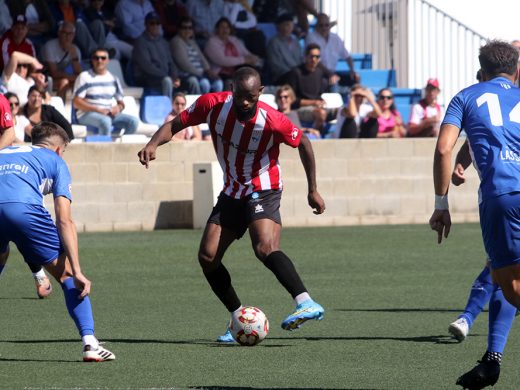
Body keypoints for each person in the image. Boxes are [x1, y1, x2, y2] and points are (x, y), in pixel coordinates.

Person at [138, 66, 326, 343]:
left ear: (260, 93)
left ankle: (306, 301)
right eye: (240, 96)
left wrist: (313, 189)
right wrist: (154, 143)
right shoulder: (212, 105)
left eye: (251, 97)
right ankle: (240, 318)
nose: (245, 103)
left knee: (264, 246)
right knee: (208, 257)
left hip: (264, 188)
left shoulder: (272, 120)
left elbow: (304, 143)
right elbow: (175, 125)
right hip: (232, 191)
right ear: (232, 89)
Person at [429, 40, 520, 389]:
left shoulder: (466, 96)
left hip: (503, 196)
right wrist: (467, 159)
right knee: (500, 274)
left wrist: (441, 204)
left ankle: (491, 359)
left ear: (481, 70)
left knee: (510, 284)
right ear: (515, 70)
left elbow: (442, 149)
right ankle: (492, 360)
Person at [0, 121, 115, 361]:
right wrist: (78, 269)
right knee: (68, 276)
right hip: (24, 212)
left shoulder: (4, 151)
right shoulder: (55, 160)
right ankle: (90, 344)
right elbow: (64, 220)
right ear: (59, 149)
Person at [73, 47, 138, 137]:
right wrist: (97, 109)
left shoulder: (114, 78)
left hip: (108, 113)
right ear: (92, 60)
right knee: (105, 121)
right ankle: (104, 150)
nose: (100, 60)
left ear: (108, 60)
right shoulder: (84, 77)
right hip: (86, 114)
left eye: (103, 58)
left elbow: (121, 103)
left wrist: (118, 108)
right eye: (96, 58)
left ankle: (122, 149)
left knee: (133, 122)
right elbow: (76, 102)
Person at [283, 43, 337, 134]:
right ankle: (316, 138)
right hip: (299, 109)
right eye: (311, 56)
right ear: (306, 57)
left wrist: (321, 102)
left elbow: (318, 95)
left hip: (317, 107)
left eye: (317, 56)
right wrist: (313, 102)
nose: (314, 59)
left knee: (340, 111)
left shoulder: (319, 72)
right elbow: (292, 100)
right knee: (321, 113)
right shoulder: (296, 73)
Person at [132, 11, 181, 99]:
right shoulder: (140, 42)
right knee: (167, 81)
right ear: (146, 25)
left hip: (163, 77)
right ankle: (168, 109)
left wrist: (175, 76)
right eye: (152, 23)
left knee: (191, 81)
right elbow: (147, 66)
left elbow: (171, 62)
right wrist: (167, 76)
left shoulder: (163, 42)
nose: (155, 26)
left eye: (158, 23)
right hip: (146, 78)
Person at [204, 17, 261, 90]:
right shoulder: (211, 42)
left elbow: (246, 53)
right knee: (232, 83)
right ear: (217, 29)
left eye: (227, 27)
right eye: (222, 27)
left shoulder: (233, 39)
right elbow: (223, 61)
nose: (225, 30)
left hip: (236, 72)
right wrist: (244, 60)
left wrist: (255, 59)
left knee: (254, 72)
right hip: (219, 74)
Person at [305, 13, 359, 90]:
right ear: (317, 26)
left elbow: (347, 57)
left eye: (326, 25)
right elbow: (314, 60)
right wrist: (330, 74)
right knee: (332, 82)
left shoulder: (335, 38)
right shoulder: (311, 37)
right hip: (315, 72)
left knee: (355, 79)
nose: (324, 27)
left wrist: (352, 71)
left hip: (332, 72)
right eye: (321, 25)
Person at [170, 16, 223, 95]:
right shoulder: (176, 41)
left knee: (218, 83)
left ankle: (215, 106)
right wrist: (201, 74)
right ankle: (202, 106)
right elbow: (184, 64)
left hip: (200, 74)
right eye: (184, 28)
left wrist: (209, 71)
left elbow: (202, 58)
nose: (187, 30)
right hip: (186, 75)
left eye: (190, 28)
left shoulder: (192, 42)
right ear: (179, 29)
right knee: (205, 83)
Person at [41, 21, 82, 102]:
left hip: (62, 77)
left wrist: (74, 56)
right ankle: (59, 109)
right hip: (45, 79)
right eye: (64, 33)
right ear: (59, 33)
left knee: (79, 84)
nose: (67, 36)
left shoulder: (75, 50)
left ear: (73, 35)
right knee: (64, 82)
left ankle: (75, 112)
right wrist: (74, 77)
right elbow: (54, 73)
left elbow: (79, 74)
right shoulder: (49, 46)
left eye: (70, 34)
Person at [266, 13, 302, 85]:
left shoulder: (296, 40)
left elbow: (301, 59)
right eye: (283, 25)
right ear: (278, 27)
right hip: (282, 76)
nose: (286, 28)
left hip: (298, 73)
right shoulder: (273, 42)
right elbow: (275, 65)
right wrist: (293, 72)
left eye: (288, 25)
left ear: (292, 26)